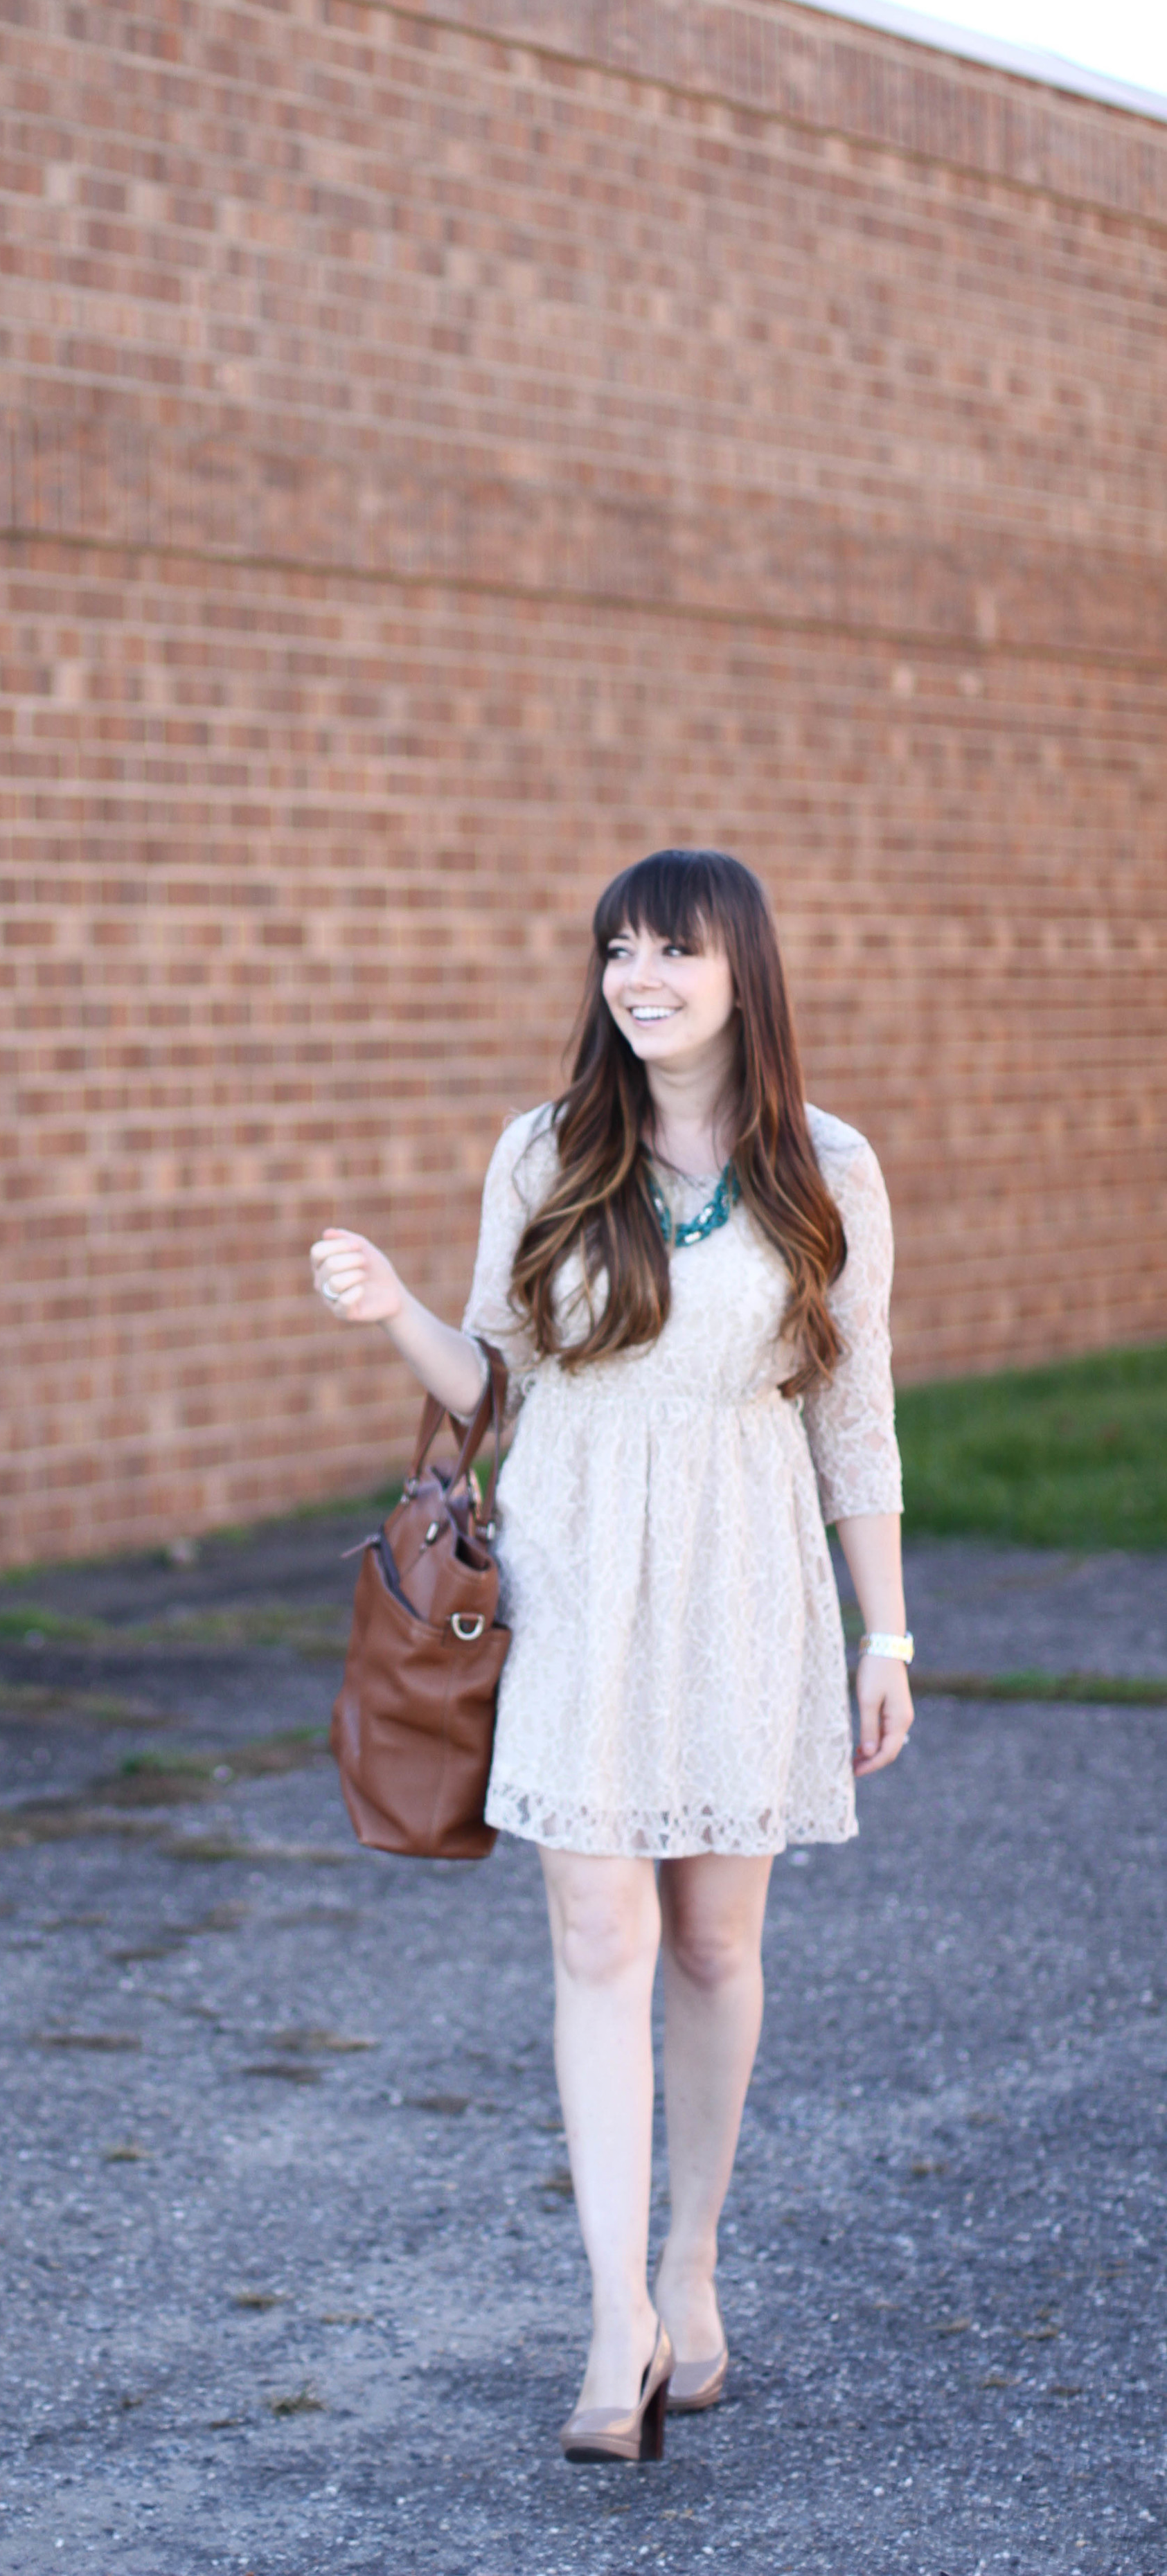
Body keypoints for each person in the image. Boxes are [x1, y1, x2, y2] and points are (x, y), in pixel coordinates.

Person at [309, 849, 912, 2464]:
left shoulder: (826, 1167)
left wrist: (886, 1632)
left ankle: (689, 2267)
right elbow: (490, 1380)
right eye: (617, 950)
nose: (637, 979)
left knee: (711, 1942)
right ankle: (611, 2321)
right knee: (594, 1932)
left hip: (740, 1579)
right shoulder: (546, 1148)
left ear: (739, 971)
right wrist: (391, 1311)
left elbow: (853, 1417)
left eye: (671, 952)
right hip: (572, 1572)